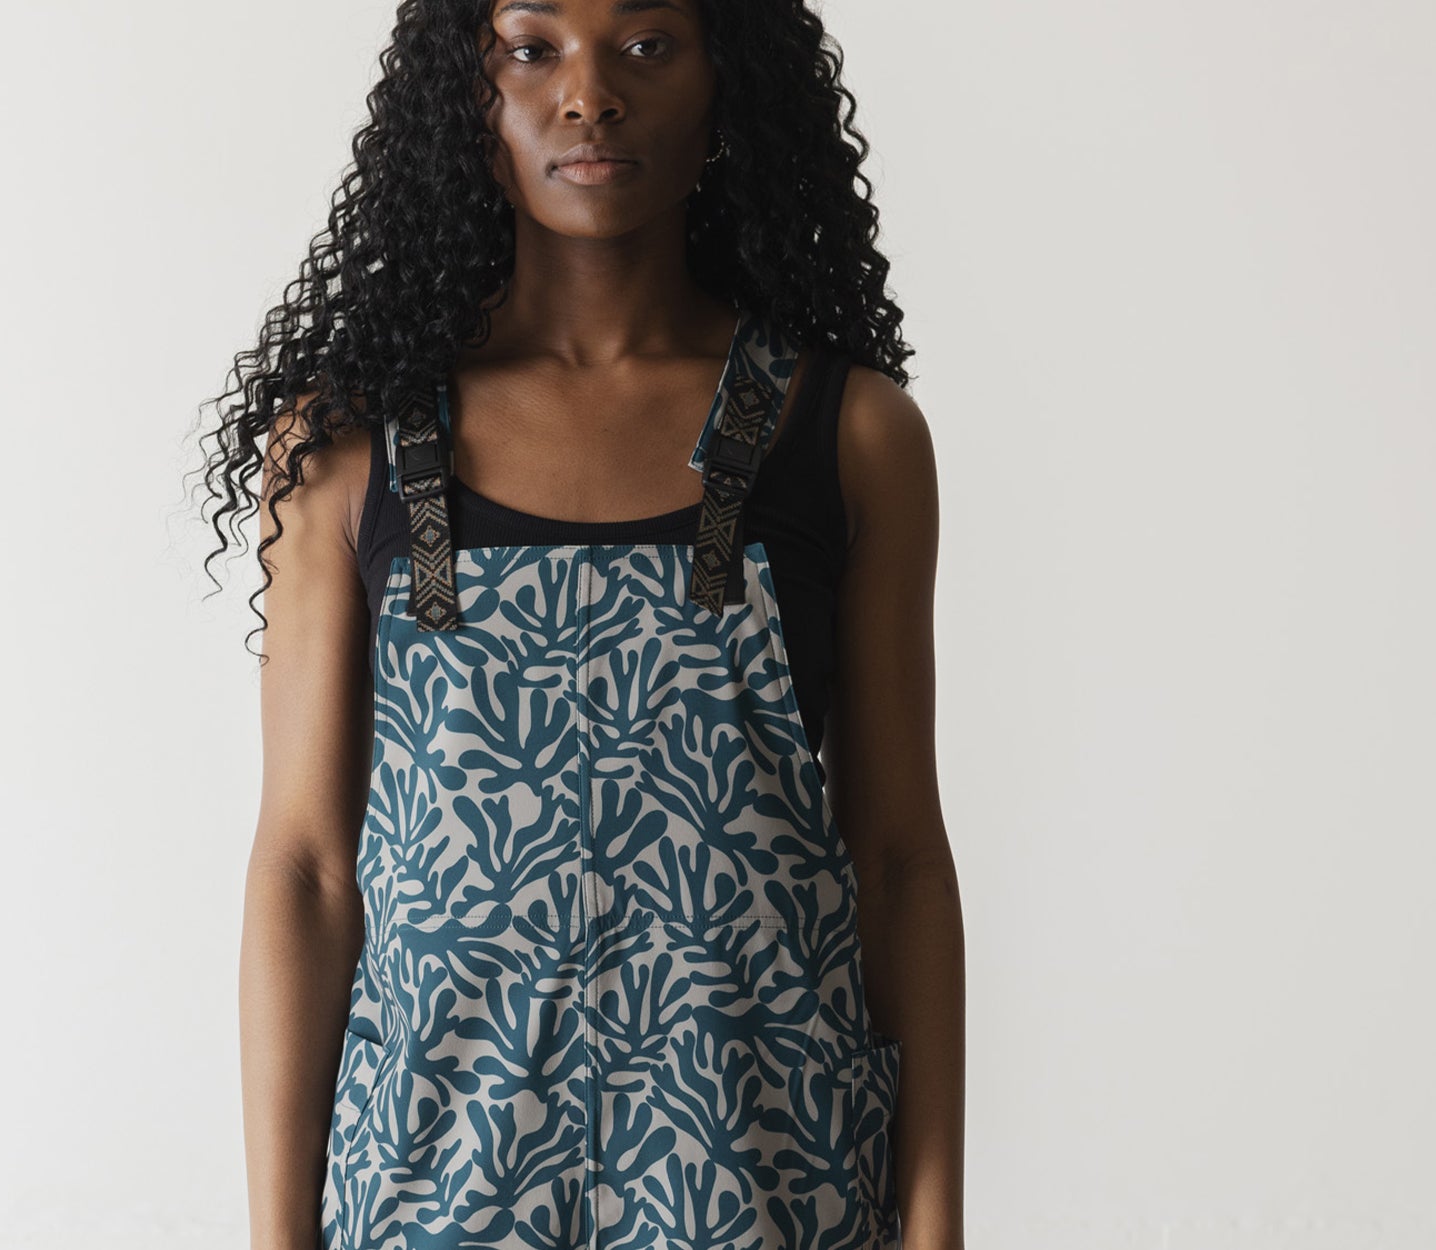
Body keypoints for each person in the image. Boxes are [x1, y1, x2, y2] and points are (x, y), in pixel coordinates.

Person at [198, 2, 964, 1247]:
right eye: (531, 45)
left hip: (766, 1185)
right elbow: (306, 869)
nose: (588, 94)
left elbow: (896, 861)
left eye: (647, 45)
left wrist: (933, 1227)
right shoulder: (348, 445)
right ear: (463, 90)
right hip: (429, 1193)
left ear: (725, 81)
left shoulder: (850, 434)